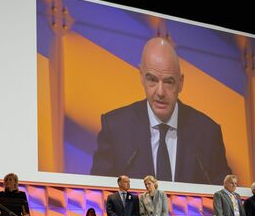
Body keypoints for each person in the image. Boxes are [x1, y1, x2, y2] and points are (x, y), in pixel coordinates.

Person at [90, 37, 231, 185]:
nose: (160, 92)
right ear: (141, 77)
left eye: (169, 82)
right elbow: (98, 195)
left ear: (181, 83)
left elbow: (226, 197)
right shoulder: (115, 128)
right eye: (152, 80)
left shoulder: (208, 133)